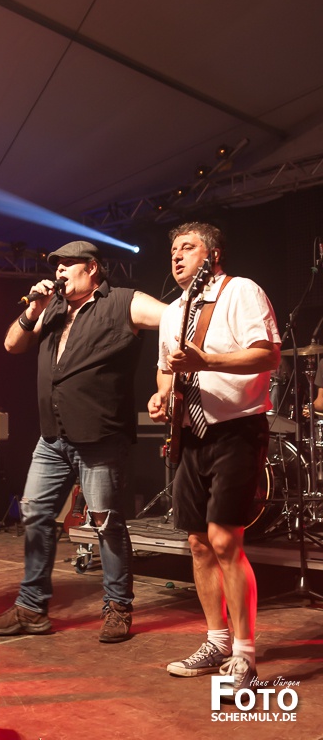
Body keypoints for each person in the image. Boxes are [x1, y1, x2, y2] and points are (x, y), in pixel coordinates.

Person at [0, 240, 166, 643]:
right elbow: (12, 344)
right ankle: (31, 608)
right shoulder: (51, 308)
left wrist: (165, 382)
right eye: (57, 266)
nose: (60, 271)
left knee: (106, 523)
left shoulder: (123, 301)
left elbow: (175, 319)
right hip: (53, 436)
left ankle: (117, 607)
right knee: (35, 515)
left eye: (68, 264)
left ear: (92, 268)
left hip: (100, 435)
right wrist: (33, 310)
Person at [148, 222, 280, 697]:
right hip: (191, 434)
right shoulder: (173, 312)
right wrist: (162, 396)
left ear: (214, 255)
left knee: (225, 539)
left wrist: (208, 362)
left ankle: (244, 652)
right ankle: (216, 641)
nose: (177, 255)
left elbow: (267, 356)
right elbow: (166, 369)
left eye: (188, 247)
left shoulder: (240, 291)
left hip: (237, 429)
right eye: (173, 249)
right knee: (198, 543)